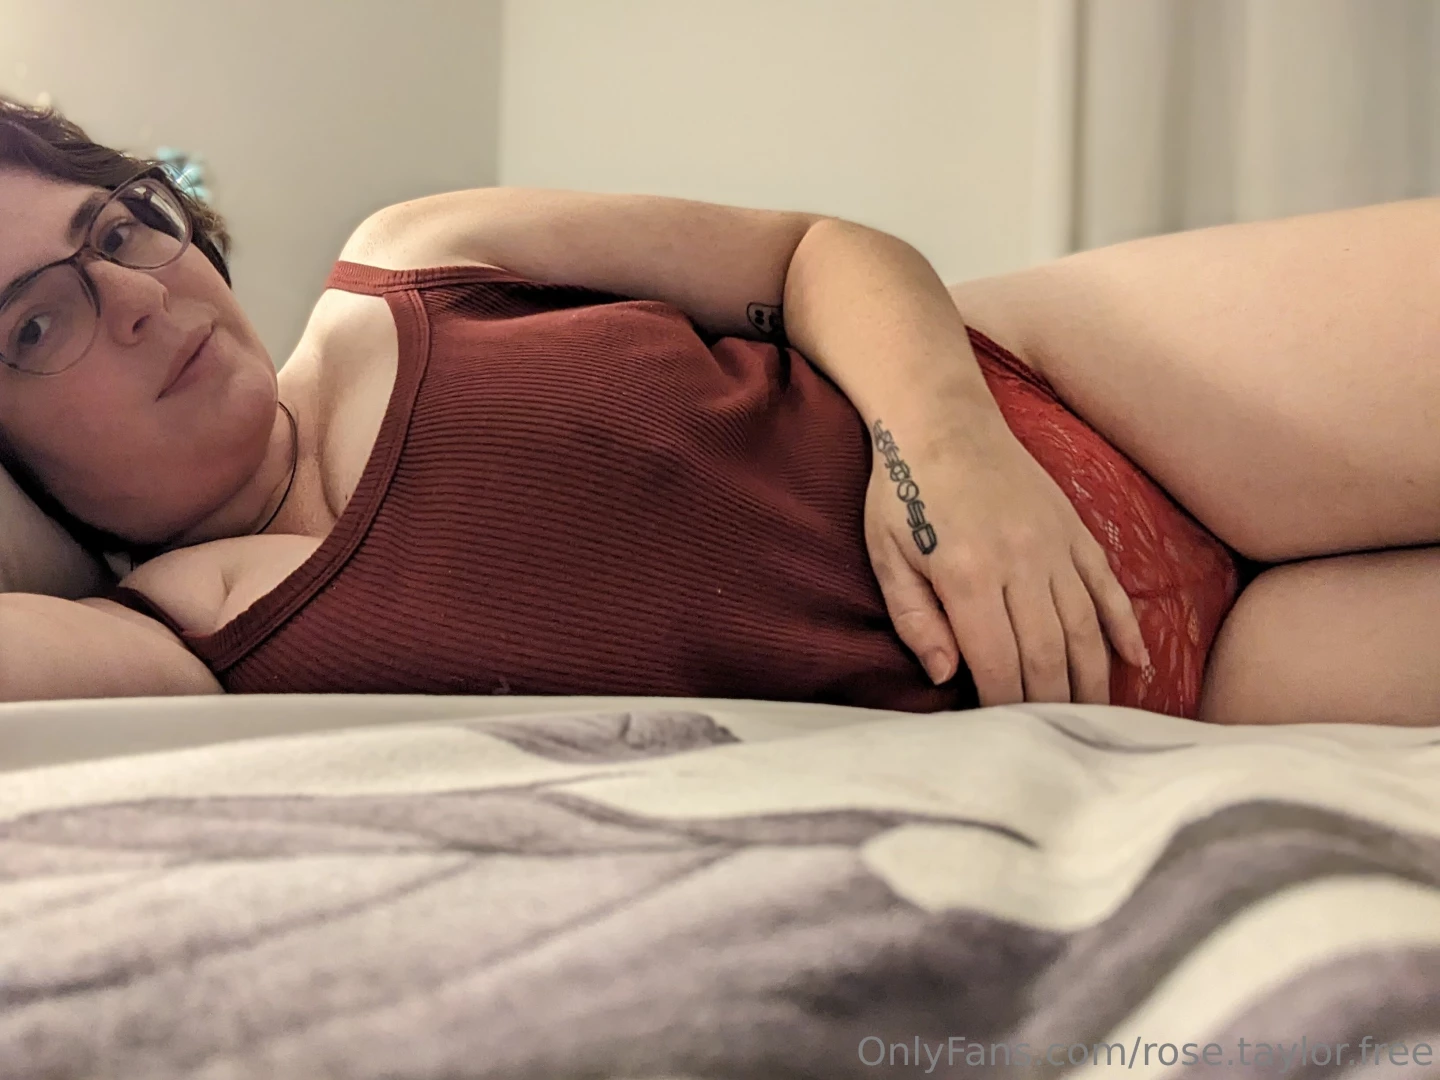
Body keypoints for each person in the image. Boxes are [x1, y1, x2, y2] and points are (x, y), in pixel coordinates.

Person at [0, 95, 1436, 726]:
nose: (133, 295)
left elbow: (818, 254)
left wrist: (950, 459)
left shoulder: (415, 259)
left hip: (1080, 392)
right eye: (37, 323)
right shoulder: (177, 644)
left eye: (117, 229)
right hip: (1169, 679)